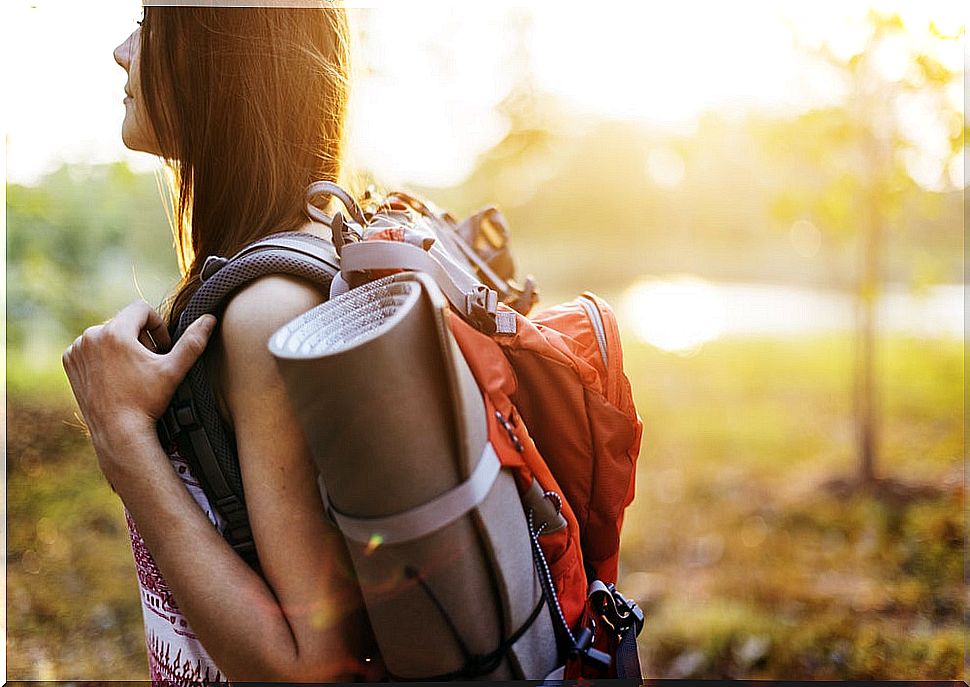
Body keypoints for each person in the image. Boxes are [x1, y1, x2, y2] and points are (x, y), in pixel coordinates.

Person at [61, 6, 382, 683]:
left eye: (148, 22)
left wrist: (121, 436)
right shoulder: (310, 249)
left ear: (218, 54)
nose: (122, 51)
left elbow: (313, 668)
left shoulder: (266, 312)